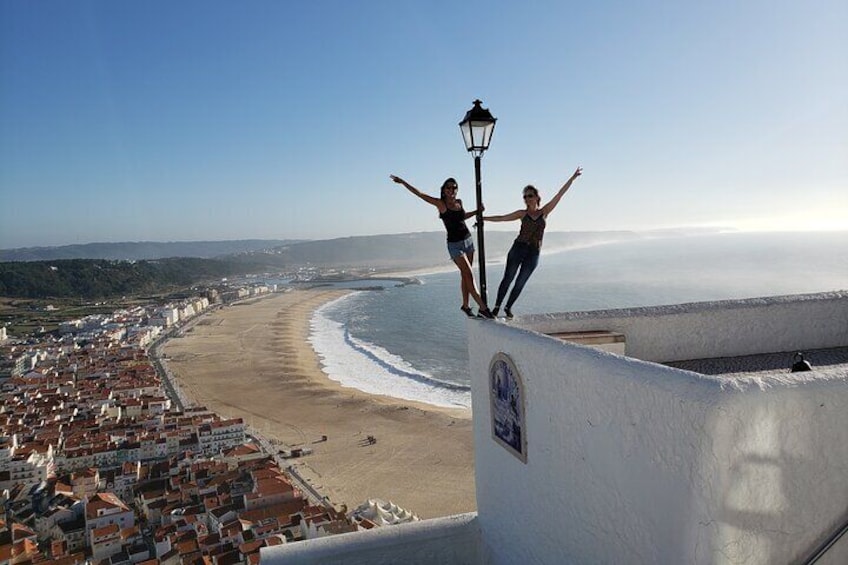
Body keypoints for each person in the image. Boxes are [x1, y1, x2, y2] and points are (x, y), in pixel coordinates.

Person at [390, 174, 494, 318]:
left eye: (454, 187)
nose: (452, 190)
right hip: (455, 245)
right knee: (469, 276)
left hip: (468, 241)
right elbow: (420, 194)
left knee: (465, 276)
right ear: (444, 190)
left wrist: (477, 211)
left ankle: (465, 305)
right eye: (449, 187)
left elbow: (461, 218)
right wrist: (403, 182)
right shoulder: (441, 204)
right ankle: (483, 308)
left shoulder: (459, 202)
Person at [484, 167, 583, 319]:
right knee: (508, 278)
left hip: (534, 252)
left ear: (537, 197)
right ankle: (496, 307)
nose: (527, 199)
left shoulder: (545, 212)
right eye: (525, 197)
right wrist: (483, 218)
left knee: (520, 281)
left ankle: (508, 307)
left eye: (530, 195)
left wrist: (572, 178)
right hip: (518, 248)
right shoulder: (522, 214)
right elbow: (502, 218)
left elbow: (560, 194)